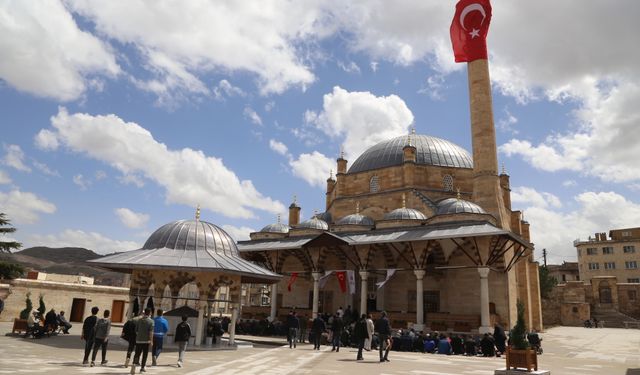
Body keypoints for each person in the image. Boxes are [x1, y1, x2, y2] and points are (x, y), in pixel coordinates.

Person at [131, 308, 154, 374]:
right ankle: (142, 368)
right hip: (146, 341)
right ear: (150, 313)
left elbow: (136, 330)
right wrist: (151, 341)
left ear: (144, 312)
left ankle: (134, 364)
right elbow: (151, 332)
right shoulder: (151, 321)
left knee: (137, 354)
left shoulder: (139, 320)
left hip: (138, 340)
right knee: (145, 354)